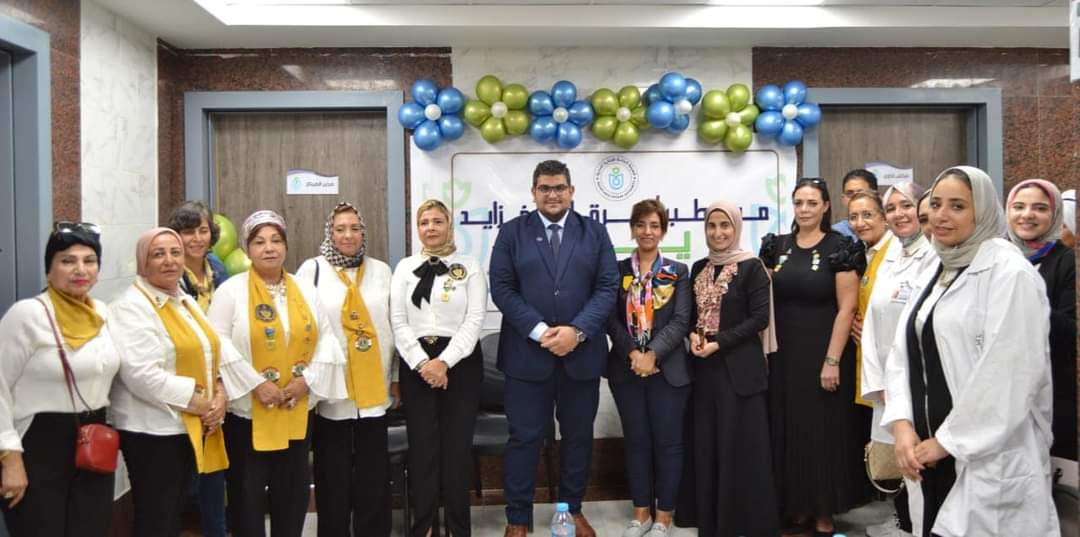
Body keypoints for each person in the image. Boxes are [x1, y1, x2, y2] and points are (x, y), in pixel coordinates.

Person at [884, 166, 1059, 537]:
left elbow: (1010, 374)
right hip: (926, 451)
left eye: (958, 206)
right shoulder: (939, 265)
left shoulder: (1010, 274)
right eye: (936, 204)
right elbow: (903, 350)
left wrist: (947, 442)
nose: (941, 216)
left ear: (983, 211)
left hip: (982, 456)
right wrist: (901, 425)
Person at [489, 160, 618, 537]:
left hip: (581, 356)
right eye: (544, 188)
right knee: (524, 439)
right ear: (533, 192)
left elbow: (607, 287)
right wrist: (541, 331)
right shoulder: (512, 232)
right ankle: (518, 518)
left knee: (578, 438)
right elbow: (502, 288)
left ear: (572, 191)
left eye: (559, 187)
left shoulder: (594, 232)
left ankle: (572, 510)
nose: (552, 194)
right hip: (527, 358)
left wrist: (577, 331)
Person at [206, 210, 347, 537]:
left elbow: (327, 339)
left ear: (285, 245)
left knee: (292, 497)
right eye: (259, 242)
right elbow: (217, 342)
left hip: (294, 409)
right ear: (247, 249)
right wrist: (255, 384)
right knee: (246, 500)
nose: (269, 248)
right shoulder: (231, 291)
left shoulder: (305, 289)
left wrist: (307, 381)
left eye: (275, 240)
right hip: (248, 415)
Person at [759, 177, 868, 537]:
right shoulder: (776, 246)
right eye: (799, 203)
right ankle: (796, 507)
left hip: (824, 356)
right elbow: (763, 300)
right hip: (783, 357)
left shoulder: (840, 247)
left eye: (811, 203)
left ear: (825, 207)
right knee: (788, 431)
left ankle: (823, 512)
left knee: (821, 434)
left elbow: (847, 307)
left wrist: (832, 360)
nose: (804, 209)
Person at [108, 228, 231, 537]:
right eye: (158, 254)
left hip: (184, 427)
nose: (169, 261)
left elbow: (209, 351)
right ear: (143, 262)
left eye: (175, 253)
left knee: (173, 517)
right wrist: (203, 404)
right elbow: (142, 375)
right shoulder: (131, 306)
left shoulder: (182, 299)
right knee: (157, 521)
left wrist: (219, 392)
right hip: (152, 433)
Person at [0, 223, 119, 537]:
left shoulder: (102, 314)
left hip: (93, 441)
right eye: (67, 260)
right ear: (49, 270)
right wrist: (9, 457)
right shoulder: (27, 315)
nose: (80, 269)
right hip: (38, 445)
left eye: (89, 260)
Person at [675, 201, 780, 537]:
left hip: (739, 372)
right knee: (708, 444)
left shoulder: (752, 268)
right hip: (704, 372)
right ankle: (712, 519)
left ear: (736, 228)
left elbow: (759, 319)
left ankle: (742, 522)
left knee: (740, 447)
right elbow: (690, 315)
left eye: (725, 225)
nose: (718, 232)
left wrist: (719, 342)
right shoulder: (699, 267)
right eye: (712, 225)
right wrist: (693, 335)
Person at [295, 202, 397, 537]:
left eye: (355, 228)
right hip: (331, 390)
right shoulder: (312, 270)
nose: (348, 235)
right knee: (332, 474)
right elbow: (302, 327)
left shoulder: (381, 271)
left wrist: (396, 378)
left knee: (374, 473)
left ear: (363, 232)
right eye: (340, 229)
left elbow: (392, 326)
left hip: (375, 387)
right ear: (330, 233)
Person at [390, 199, 487, 537]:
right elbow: (397, 321)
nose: (430, 228)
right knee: (423, 449)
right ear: (417, 229)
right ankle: (425, 526)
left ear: (448, 224)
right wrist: (423, 363)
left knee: (457, 450)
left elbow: (474, 320)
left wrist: (444, 361)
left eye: (437, 221)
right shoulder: (405, 268)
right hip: (416, 363)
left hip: (460, 363)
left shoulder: (469, 266)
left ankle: (458, 528)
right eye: (424, 222)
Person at [604, 199, 691, 537]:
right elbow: (610, 319)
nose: (647, 232)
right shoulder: (617, 271)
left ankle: (664, 516)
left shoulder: (677, 271)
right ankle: (641, 513)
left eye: (654, 225)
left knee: (669, 444)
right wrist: (634, 353)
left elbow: (681, 320)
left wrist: (653, 354)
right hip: (626, 370)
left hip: (668, 371)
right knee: (636, 441)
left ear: (663, 231)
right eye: (640, 225)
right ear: (632, 229)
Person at [859, 182, 937, 537]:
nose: (899, 214)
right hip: (887, 386)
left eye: (906, 206)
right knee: (898, 465)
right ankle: (906, 525)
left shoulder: (933, 256)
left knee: (920, 464)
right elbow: (872, 325)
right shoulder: (890, 256)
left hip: (917, 384)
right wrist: (878, 382)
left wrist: (899, 383)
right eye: (891, 208)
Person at [166, 200, 230, 537]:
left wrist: (221, 387)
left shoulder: (217, 268)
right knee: (186, 476)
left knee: (215, 472)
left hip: (221, 377)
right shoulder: (169, 275)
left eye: (202, 230)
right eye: (188, 231)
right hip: (185, 383)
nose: (196, 238)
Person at [1006, 179, 1076, 461]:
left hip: (1050, 391)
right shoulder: (998, 257)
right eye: (1019, 207)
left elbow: (1069, 331)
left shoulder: (1067, 261)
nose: (1027, 215)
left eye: (1040, 208)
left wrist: (1031, 297)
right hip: (1002, 389)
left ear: (1055, 215)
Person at [847, 192, 893, 410]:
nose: (860, 223)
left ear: (884, 216)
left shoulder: (895, 251)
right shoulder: (868, 252)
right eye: (853, 217)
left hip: (890, 360)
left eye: (867, 215)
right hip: (871, 357)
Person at [832, 169, 879, 240]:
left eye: (860, 193)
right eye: (849, 193)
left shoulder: (892, 229)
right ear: (843, 199)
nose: (854, 198)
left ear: (876, 197)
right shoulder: (835, 234)